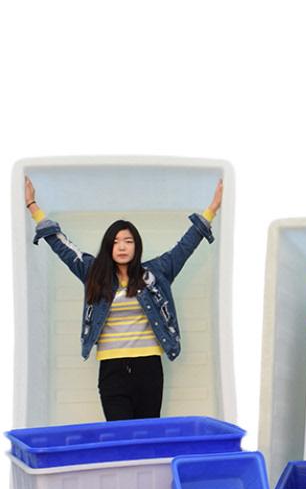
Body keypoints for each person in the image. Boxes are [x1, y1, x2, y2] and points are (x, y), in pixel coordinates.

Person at [24, 176, 223, 421]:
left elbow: (185, 246)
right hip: (112, 368)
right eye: (116, 242)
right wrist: (32, 205)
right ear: (108, 247)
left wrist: (212, 208)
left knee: (148, 433)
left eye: (128, 241)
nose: (122, 247)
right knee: (119, 434)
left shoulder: (156, 273)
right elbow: (63, 246)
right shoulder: (94, 273)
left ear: (136, 246)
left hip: (149, 366)